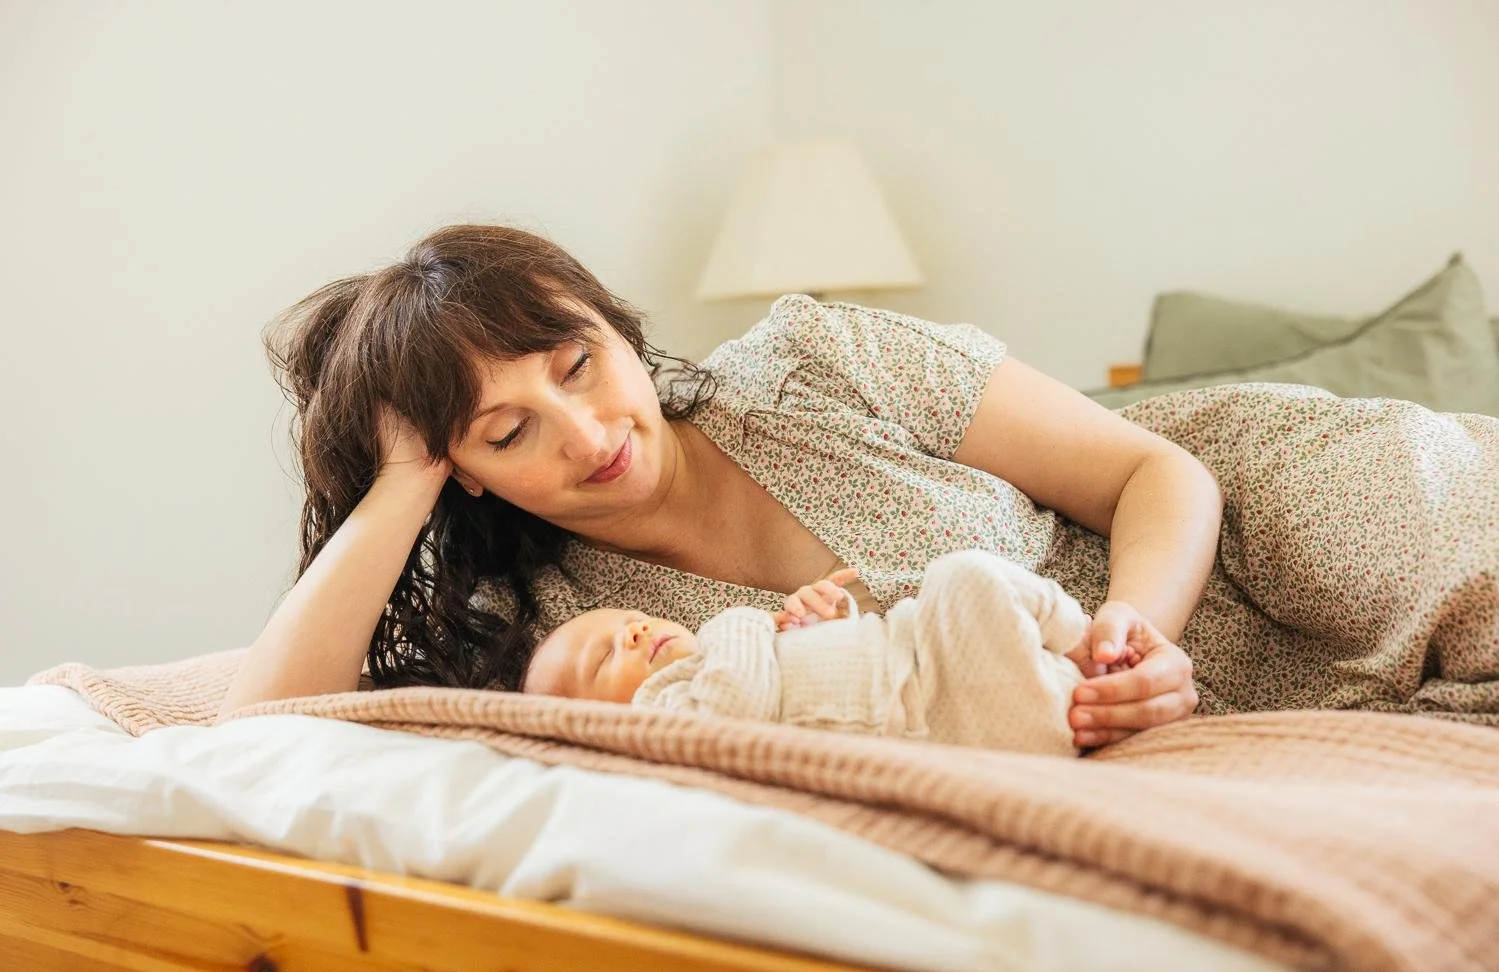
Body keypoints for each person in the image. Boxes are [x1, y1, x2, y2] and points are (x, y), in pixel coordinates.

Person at [218, 224, 1499, 741]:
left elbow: (1148, 468)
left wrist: (1135, 639)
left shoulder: (813, 357)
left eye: (576, 360)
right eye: (505, 433)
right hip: (1204, 699)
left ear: (616, 325)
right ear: (467, 478)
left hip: (1267, 520)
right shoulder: (571, 635)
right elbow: (253, 729)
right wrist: (395, 485)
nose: (584, 428)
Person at [524, 551, 1102, 756]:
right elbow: (735, 708)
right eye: (603, 659)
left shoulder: (726, 657)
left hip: (926, 661)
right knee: (968, 576)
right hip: (947, 707)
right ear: (595, 727)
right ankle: (1088, 653)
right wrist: (741, 620)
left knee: (965, 574)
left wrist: (822, 624)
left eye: (634, 621)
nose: (634, 633)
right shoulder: (666, 720)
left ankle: (1093, 648)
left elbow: (825, 677)